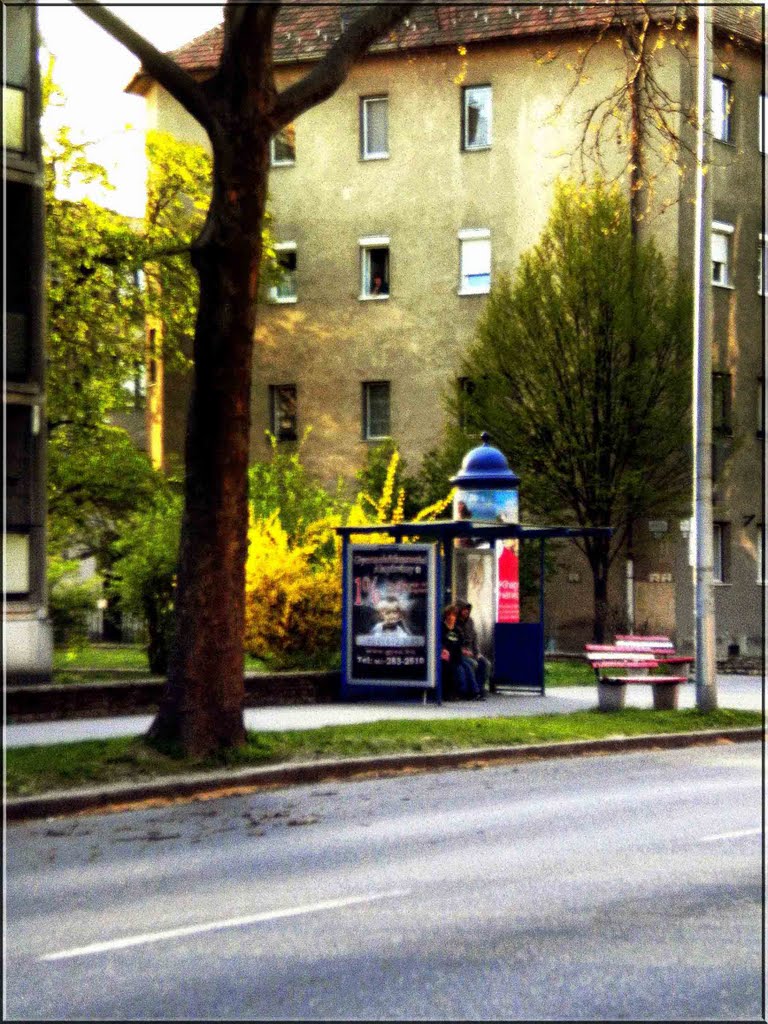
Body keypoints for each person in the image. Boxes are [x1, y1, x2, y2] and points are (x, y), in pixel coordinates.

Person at [440, 604, 481, 700]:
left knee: (469, 666)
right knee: (461, 670)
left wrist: (465, 651)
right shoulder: (441, 628)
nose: (451, 617)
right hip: (448, 657)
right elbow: (439, 642)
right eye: (449, 615)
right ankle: (464, 693)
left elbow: (460, 644)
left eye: (453, 615)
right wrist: (443, 649)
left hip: (457, 656)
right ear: (446, 616)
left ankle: (475, 692)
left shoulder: (457, 630)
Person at [456, 601, 490, 695]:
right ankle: (473, 690)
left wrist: (477, 653)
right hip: (461, 652)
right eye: (464, 609)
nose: (466, 611)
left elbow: (474, 638)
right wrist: (462, 650)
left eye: (468, 609)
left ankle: (481, 688)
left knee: (485, 663)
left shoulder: (470, 622)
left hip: (471, 651)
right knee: (473, 663)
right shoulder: (455, 622)